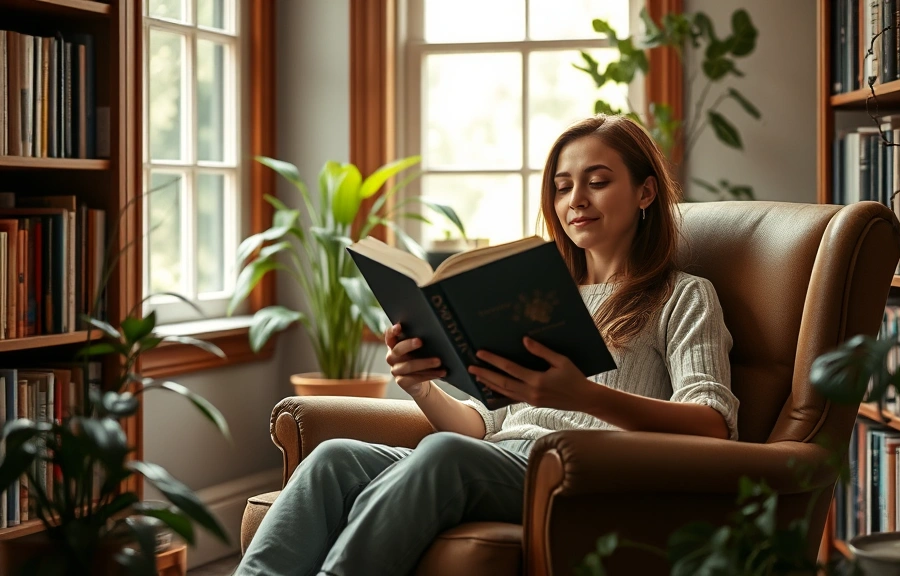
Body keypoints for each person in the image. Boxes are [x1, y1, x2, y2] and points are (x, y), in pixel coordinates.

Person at [235, 115, 739, 576]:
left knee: (443, 454)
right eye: (562, 188)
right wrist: (423, 388)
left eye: (598, 182)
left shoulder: (684, 295)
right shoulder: (540, 296)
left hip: (583, 473)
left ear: (645, 192)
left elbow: (714, 423)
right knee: (334, 458)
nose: (576, 200)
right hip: (497, 457)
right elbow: (482, 425)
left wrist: (581, 396)